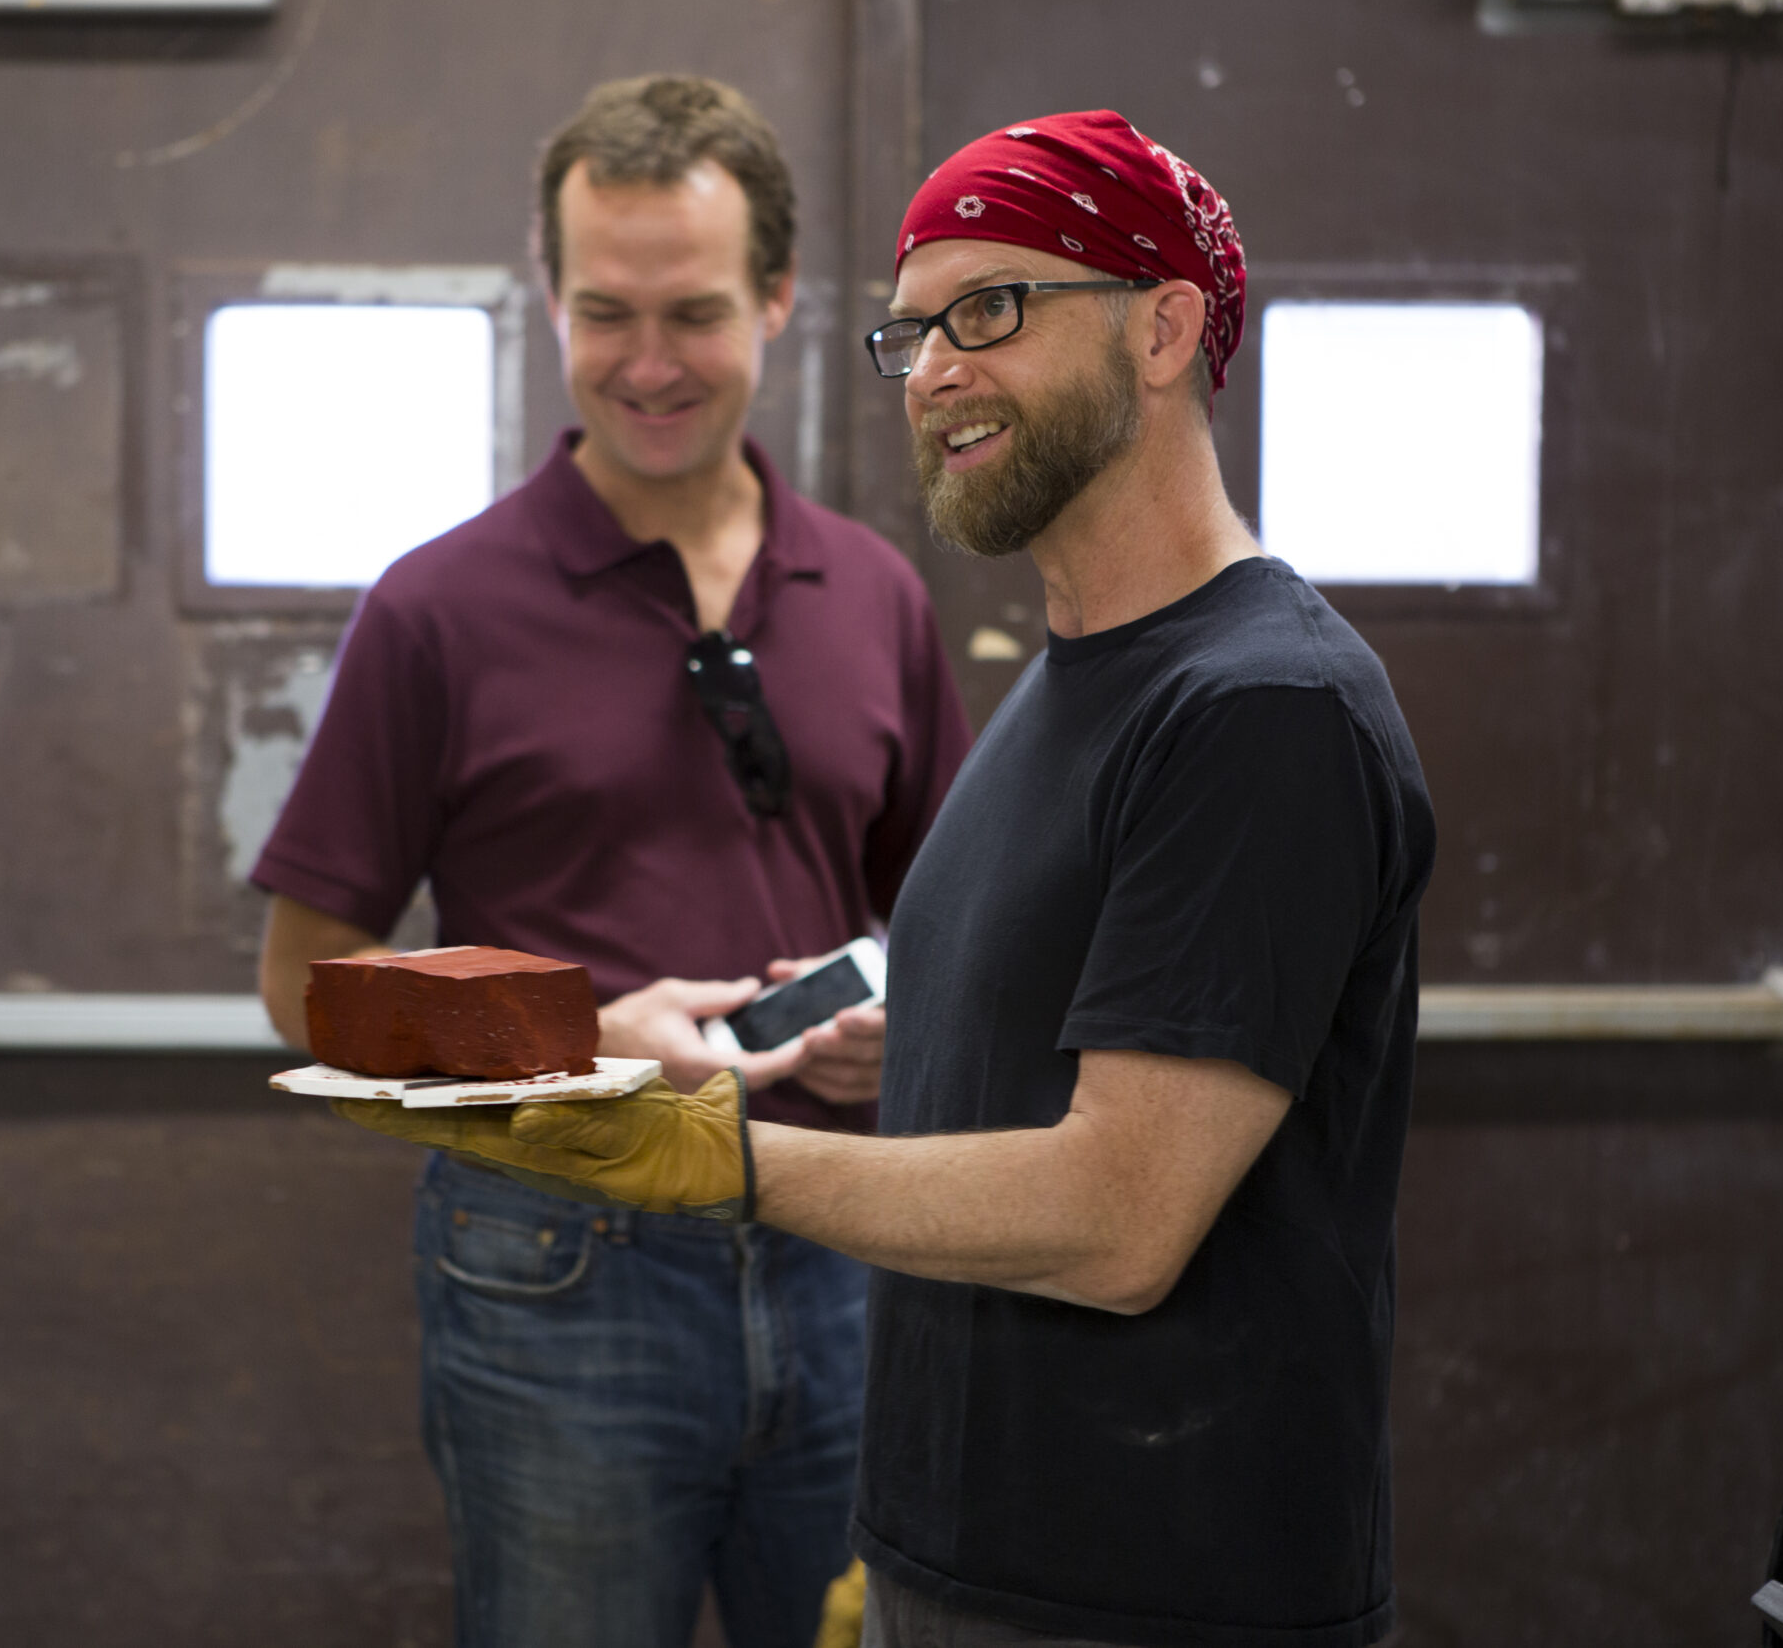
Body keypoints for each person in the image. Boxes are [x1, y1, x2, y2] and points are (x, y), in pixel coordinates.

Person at [330, 108, 1438, 1648]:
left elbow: (1120, 1220)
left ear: (1169, 323)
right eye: (911, 333)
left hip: (1152, 1592)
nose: (934, 374)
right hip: (958, 1552)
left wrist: (717, 1151)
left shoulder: (1259, 707)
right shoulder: (1069, 690)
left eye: (993, 311)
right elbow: (1023, 1021)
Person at [251, 74, 971, 1648]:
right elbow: (307, 993)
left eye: (697, 313)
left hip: (851, 1238)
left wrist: (907, 1036)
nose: (649, 365)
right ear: (550, 294)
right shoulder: (436, 610)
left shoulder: (875, 595)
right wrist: (572, 1041)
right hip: (553, 1268)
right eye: (606, 313)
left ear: (781, 297)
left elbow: (961, 934)